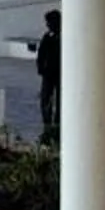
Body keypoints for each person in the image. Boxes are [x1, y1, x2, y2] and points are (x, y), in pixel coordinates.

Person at [33, 9, 61, 139]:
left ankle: (58, 125)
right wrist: (41, 68)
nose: (48, 25)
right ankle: (47, 124)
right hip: (48, 74)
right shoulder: (47, 37)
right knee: (45, 99)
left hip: (60, 74)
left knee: (60, 100)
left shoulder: (63, 37)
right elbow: (41, 53)